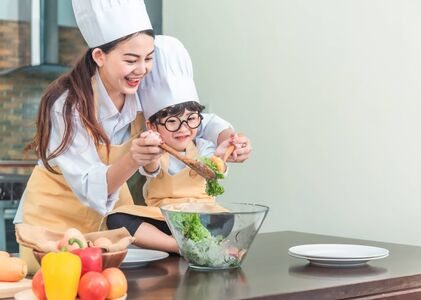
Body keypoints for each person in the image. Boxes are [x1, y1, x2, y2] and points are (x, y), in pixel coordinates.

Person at [14, 0, 250, 271]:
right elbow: (91, 185)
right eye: (130, 60)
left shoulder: (138, 88)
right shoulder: (68, 105)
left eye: (148, 58)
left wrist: (228, 139)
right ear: (99, 56)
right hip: (54, 224)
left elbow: (195, 119)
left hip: (111, 227)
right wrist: (133, 159)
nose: (142, 69)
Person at [106, 36, 232, 253]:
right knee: (117, 219)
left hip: (202, 214)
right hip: (164, 218)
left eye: (191, 119)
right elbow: (151, 169)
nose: (183, 129)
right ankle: (178, 246)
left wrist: (220, 158)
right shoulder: (153, 150)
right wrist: (151, 150)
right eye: (172, 122)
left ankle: (190, 243)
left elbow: (216, 170)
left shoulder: (202, 147)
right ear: (152, 126)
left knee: (225, 220)